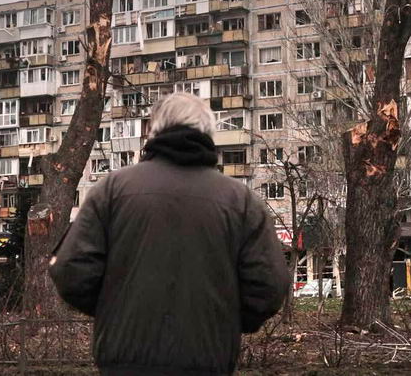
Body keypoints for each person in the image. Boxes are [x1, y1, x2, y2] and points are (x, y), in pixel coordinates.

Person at [49, 93, 290, 375]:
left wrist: (114, 310)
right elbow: (270, 285)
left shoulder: (111, 190)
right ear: (208, 132)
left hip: (125, 361)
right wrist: (227, 320)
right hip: (207, 360)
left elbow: (70, 270)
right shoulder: (242, 201)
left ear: (153, 130)